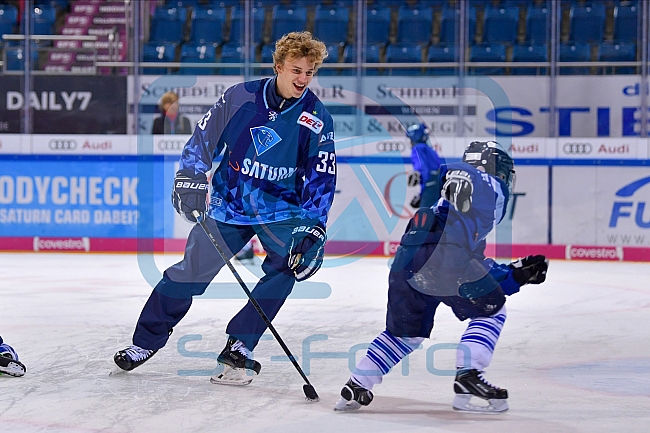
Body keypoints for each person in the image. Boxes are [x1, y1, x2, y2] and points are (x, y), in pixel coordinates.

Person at [114, 31, 336, 386]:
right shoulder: (240, 97)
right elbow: (203, 139)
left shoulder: (316, 116)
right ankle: (145, 342)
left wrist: (314, 224)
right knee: (189, 273)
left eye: (310, 72)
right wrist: (190, 174)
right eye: (296, 70)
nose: (303, 79)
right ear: (278, 66)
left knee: (285, 268)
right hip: (229, 203)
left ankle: (241, 344)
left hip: (281, 210)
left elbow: (321, 176)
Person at [334, 141, 549, 413]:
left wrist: (514, 274)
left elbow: (474, 262)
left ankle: (357, 383)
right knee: (493, 309)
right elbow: (461, 254)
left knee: (404, 334)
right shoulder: (487, 184)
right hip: (443, 258)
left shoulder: (452, 208)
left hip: (407, 258)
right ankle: (468, 374)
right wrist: (515, 277)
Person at [406, 123, 442, 209]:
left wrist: (417, 173)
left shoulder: (417, 148)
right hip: (438, 186)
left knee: (425, 218)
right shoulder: (429, 149)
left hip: (429, 188)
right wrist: (421, 194)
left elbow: (421, 167)